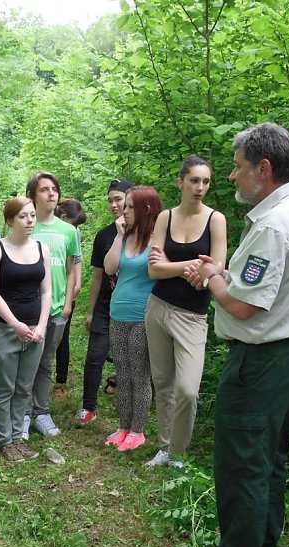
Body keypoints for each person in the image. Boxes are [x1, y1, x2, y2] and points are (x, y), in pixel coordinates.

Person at [183, 123, 289, 547]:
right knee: (268, 461)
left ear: (263, 170)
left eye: (238, 166)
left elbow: (245, 307)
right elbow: (262, 287)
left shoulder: (273, 225)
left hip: (261, 363)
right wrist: (225, 274)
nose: (232, 175)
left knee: (242, 466)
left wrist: (211, 279)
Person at [145, 156, 227, 468]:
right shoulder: (165, 217)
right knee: (163, 382)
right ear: (180, 182)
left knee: (188, 389)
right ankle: (165, 448)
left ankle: (178, 453)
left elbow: (214, 270)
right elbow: (154, 271)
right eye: (194, 180)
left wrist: (176, 266)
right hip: (158, 308)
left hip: (193, 316)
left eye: (206, 181)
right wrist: (191, 266)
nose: (200, 187)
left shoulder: (215, 220)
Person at [0, 197, 52, 463]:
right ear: (10, 220)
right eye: (23, 216)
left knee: (24, 387)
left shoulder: (42, 249)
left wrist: (43, 324)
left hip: (35, 330)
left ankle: (16, 437)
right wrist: (15, 324)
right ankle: (4, 441)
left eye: (32, 215)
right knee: (5, 388)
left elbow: (46, 291)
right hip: (3, 329)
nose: (30, 221)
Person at [102, 186, 162, 452]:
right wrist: (119, 235)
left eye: (128, 206)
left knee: (139, 374)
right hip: (118, 313)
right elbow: (109, 267)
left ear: (144, 209)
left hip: (143, 316)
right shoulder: (125, 238)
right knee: (122, 375)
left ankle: (138, 430)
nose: (122, 210)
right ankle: (123, 427)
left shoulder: (158, 240)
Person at [24, 172, 81, 438]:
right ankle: (22, 414)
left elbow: (71, 270)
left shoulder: (68, 230)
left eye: (54, 189)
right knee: (25, 363)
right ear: (32, 196)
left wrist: (68, 302)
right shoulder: (25, 226)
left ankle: (41, 412)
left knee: (46, 362)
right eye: (44, 189)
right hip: (28, 308)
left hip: (57, 309)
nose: (51, 193)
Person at [75, 179, 132, 426]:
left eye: (118, 199)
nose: (113, 205)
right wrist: (90, 311)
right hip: (105, 307)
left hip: (133, 309)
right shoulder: (104, 235)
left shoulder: (147, 232)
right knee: (95, 356)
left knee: (130, 359)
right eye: (110, 200)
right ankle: (88, 407)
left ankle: (130, 415)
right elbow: (98, 276)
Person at [53, 198, 87, 401]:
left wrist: (77, 283)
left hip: (65, 288)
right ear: (64, 217)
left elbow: (77, 259)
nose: (75, 229)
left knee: (62, 337)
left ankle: (60, 382)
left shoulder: (72, 231)